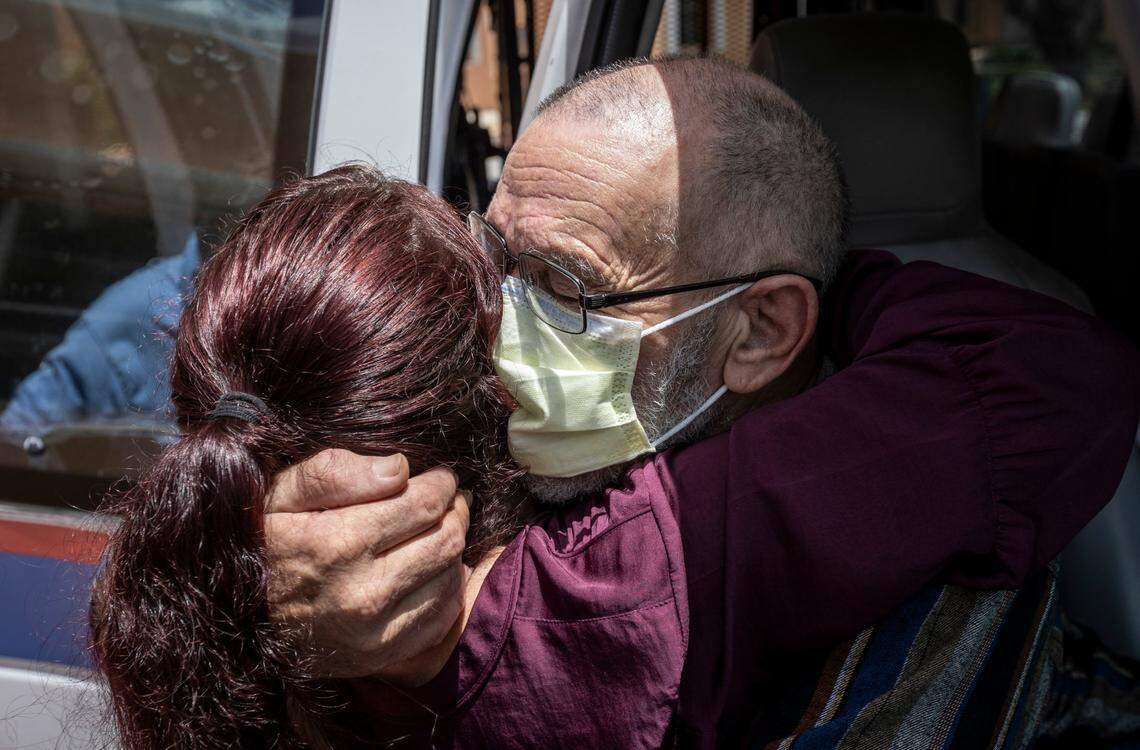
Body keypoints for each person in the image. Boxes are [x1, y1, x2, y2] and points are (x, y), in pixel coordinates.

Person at [260, 58, 1140, 747]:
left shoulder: (934, 583)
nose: (496, 336)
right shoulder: (472, 449)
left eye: (565, 287)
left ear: (760, 332)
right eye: (498, 264)